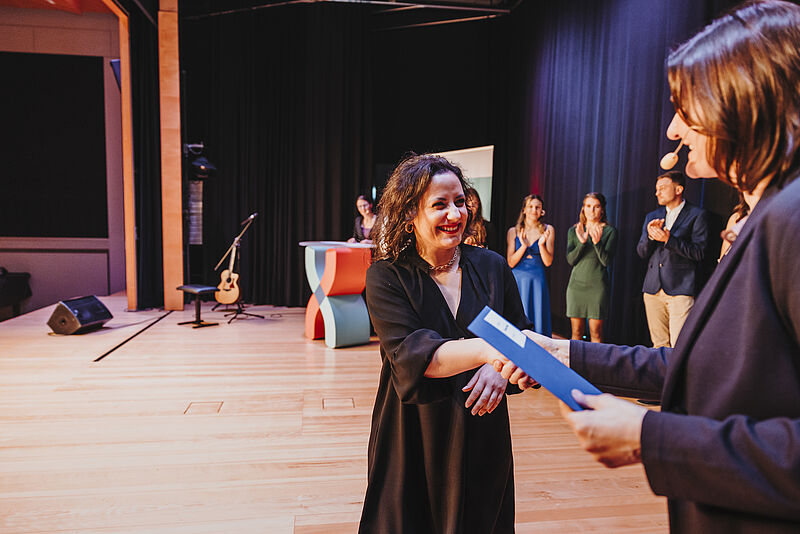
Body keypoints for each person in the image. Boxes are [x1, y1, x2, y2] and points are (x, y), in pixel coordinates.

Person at [502, 2, 800, 530]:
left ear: (743, 101)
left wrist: (650, 437)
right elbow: (695, 368)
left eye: (687, 108)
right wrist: (564, 352)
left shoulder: (792, 220)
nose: (673, 129)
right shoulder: (771, 213)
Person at [358, 154, 536, 534]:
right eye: (439, 205)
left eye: (460, 202)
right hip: (413, 434)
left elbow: (521, 337)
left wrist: (499, 371)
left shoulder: (492, 266)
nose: (455, 214)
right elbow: (417, 357)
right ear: (410, 212)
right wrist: (494, 352)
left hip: (483, 431)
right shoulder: (386, 276)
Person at [637, 171, 708, 348]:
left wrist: (669, 240)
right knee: (659, 346)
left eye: (662, 188)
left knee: (679, 346)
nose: (657, 193)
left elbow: (699, 252)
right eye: (656, 189)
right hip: (653, 289)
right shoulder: (652, 216)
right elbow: (641, 252)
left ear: (678, 189)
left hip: (680, 289)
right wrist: (651, 237)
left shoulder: (697, 214)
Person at [565, 192, 617, 342]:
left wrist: (597, 243)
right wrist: (582, 243)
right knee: (576, 332)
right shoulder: (574, 230)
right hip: (576, 286)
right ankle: (575, 358)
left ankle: (596, 359)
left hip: (597, 287)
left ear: (602, 209)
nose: (592, 210)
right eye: (588, 206)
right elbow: (571, 260)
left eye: (596, 206)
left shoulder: (610, 231)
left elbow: (606, 261)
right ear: (583, 208)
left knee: (596, 333)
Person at [506, 194, 553, 336]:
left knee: (538, 314)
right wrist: (523, 246)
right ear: (524, 210)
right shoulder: (513, 231)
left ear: (542, 211)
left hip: (537, 280)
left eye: (538, 207)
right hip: (518, 280)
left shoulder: (548, 230)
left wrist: (541, 245)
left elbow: (548, 262)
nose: (534, 210)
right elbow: (510, 262)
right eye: (530, 206)